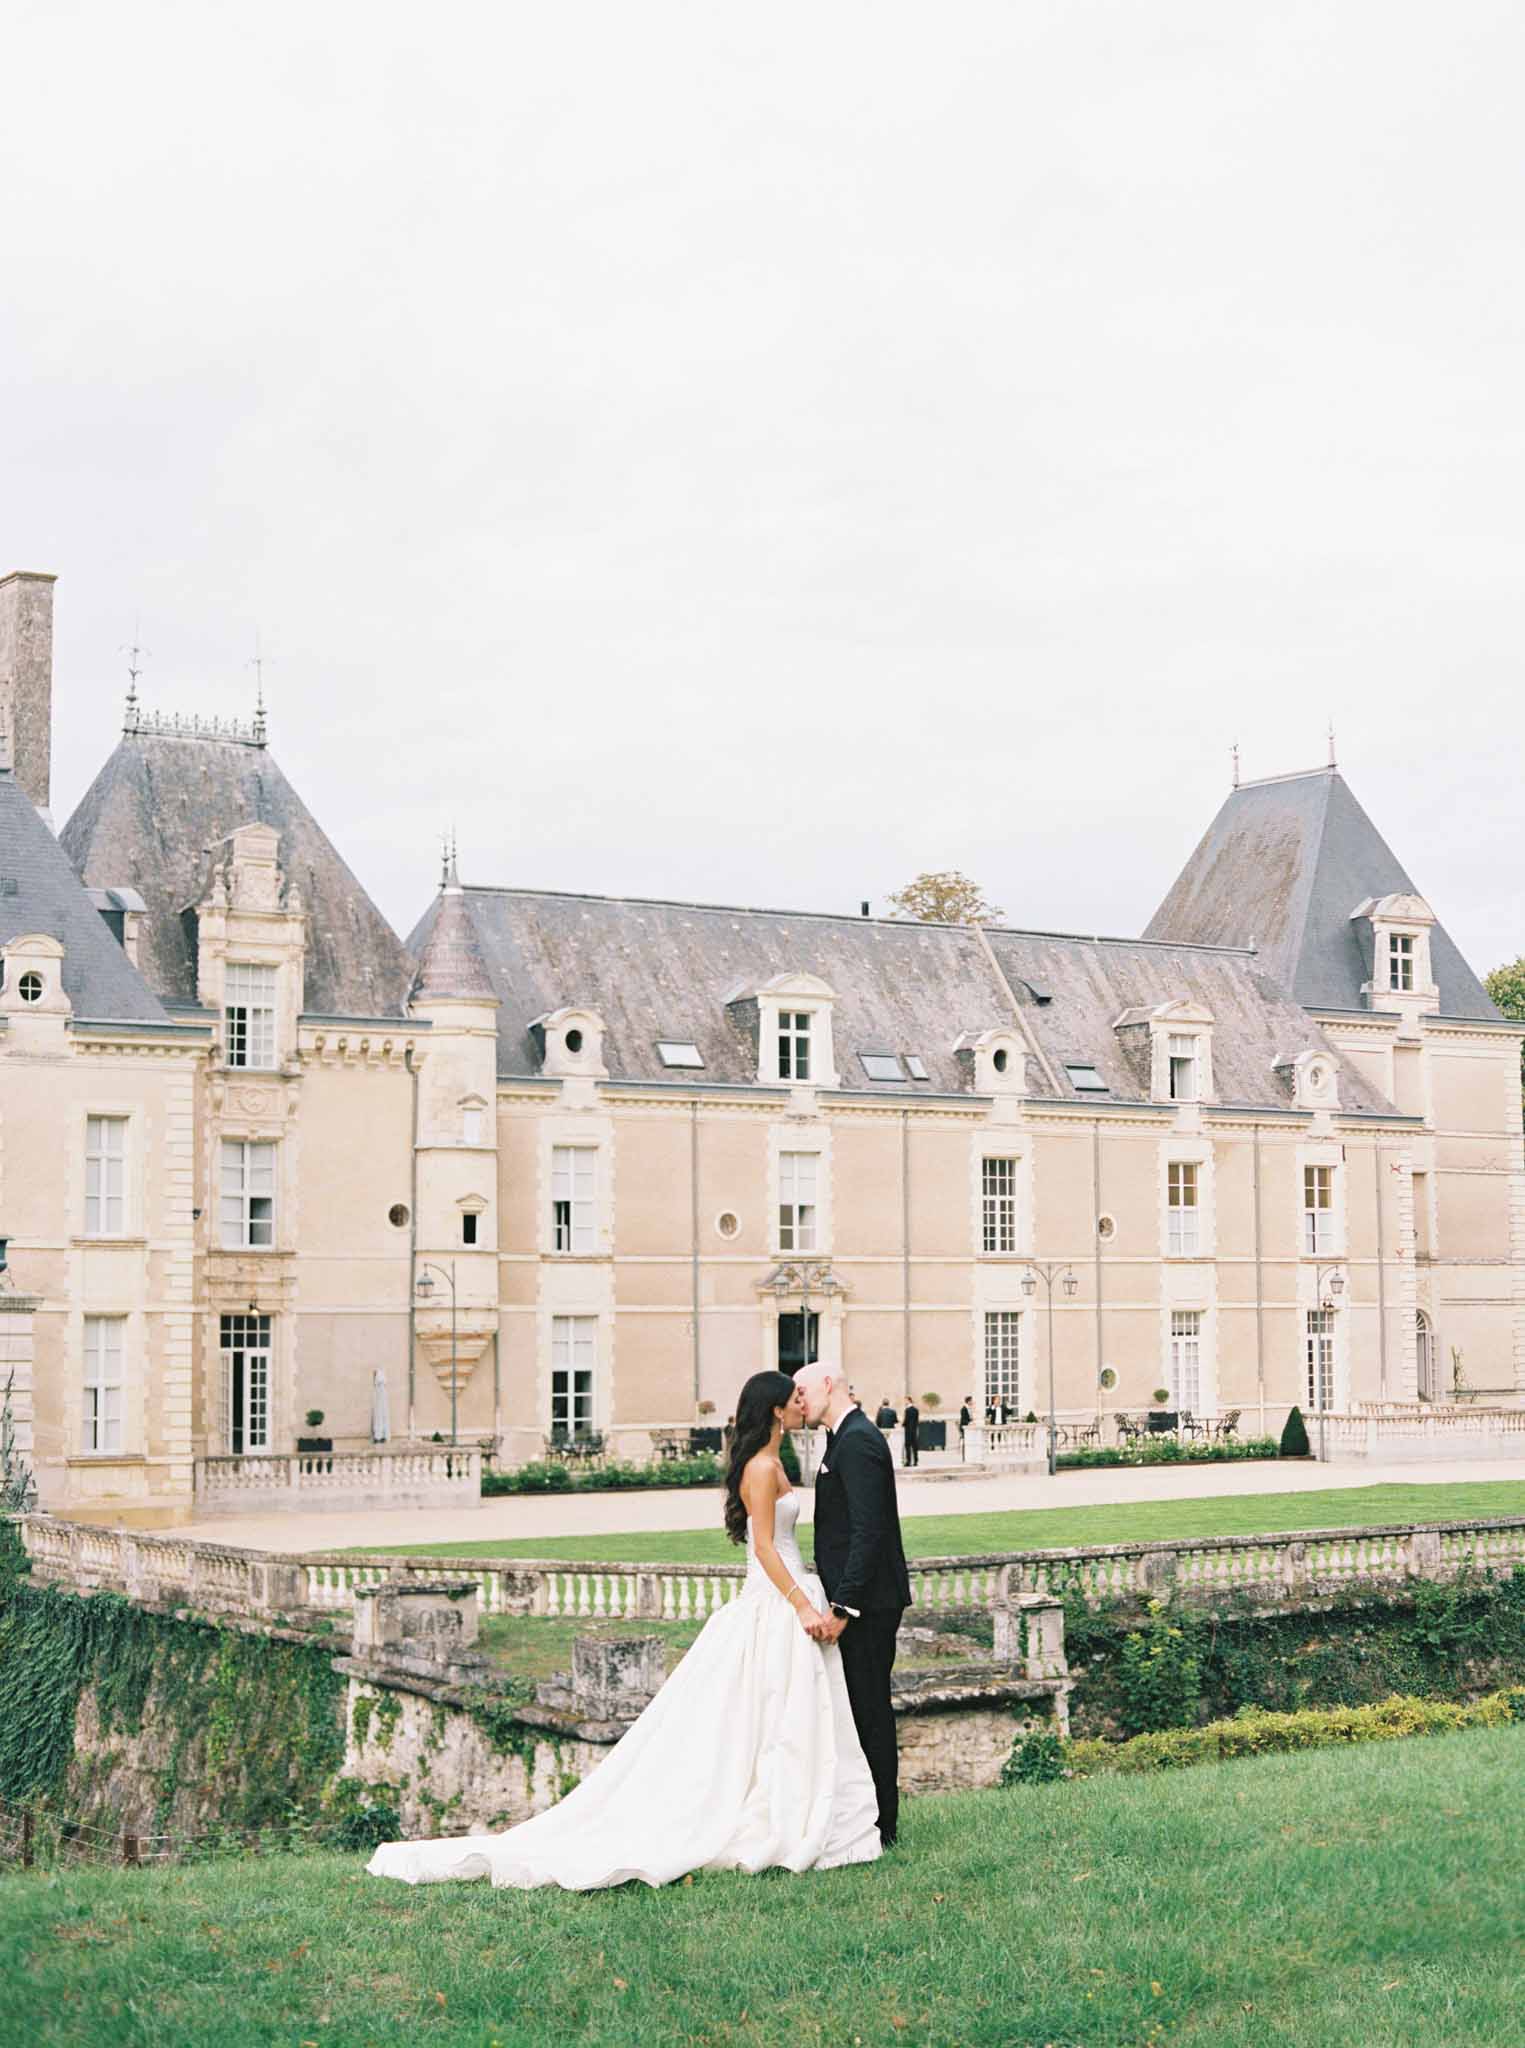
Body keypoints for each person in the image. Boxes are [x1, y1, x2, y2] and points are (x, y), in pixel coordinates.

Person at [365, 1370, 880, 1890]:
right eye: (794, 1399)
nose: (801, 1405)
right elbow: (765, 1548)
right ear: (774, 1410)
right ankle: (772, 1811)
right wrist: (801, 1605)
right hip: (778, 1601)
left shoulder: (775, 1461)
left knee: (783, 1712)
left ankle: (795, 1803)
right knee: (766, 1711)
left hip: (786, 1598)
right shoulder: (762, 1467)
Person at [795, 1360, 912, 1848]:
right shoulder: (842, 1438)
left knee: (870, 1709)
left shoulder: (860, 1439)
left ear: (829, 1385)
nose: (798, 1401)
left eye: (802, 1392)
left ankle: (883, 1824)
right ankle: (870, 1813)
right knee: (860, 1707)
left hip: (870, 1603)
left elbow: (869, 1531)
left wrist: (843, 1607)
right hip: (864, 1600)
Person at [902, 1398, 920, 1468]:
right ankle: (915, 1461)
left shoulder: (907, 1410)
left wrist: (902, 1424)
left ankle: (908, 1461)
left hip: (908, 1431)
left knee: (908, 1446)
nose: (905, 1402)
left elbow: (906, 1420)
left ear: (909, 1401)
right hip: (914, 1430)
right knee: (915, 1446)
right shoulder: (916, 1410)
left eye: (905, 1401)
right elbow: (917, 1420)